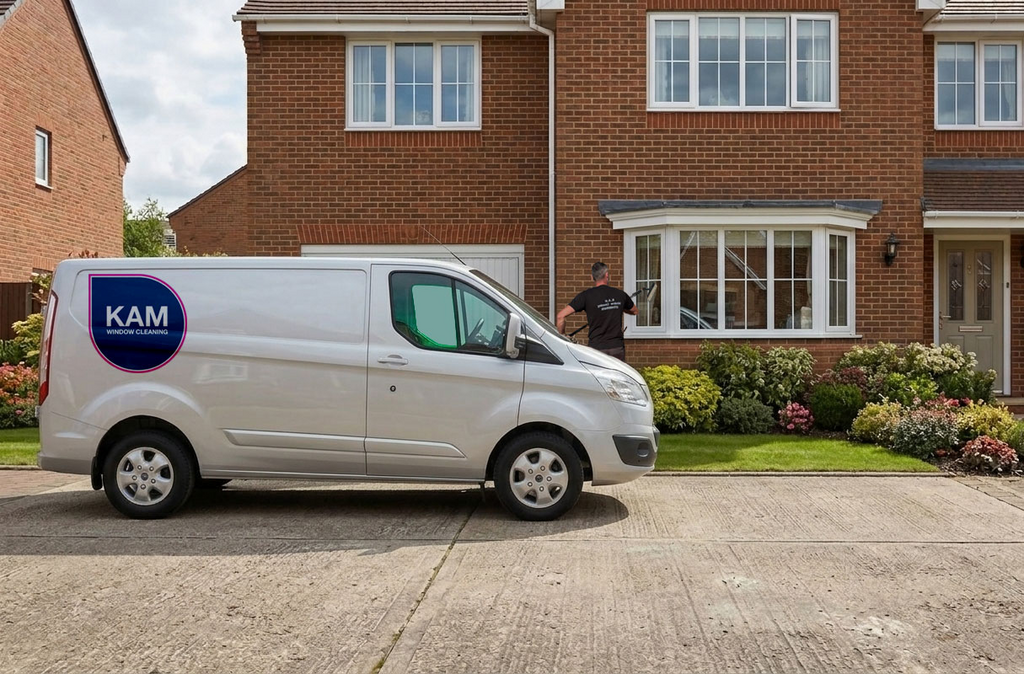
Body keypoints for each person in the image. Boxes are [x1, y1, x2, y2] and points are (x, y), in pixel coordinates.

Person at [556, 261, 638, 361]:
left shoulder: (586, 296)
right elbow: (635, 311)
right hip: (616, 348)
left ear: (592, 277)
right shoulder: (620, 294)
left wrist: (563, 336)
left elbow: (560, 316)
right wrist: (618, 307)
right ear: (607, 275)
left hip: (596, 350)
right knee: (617, 372)